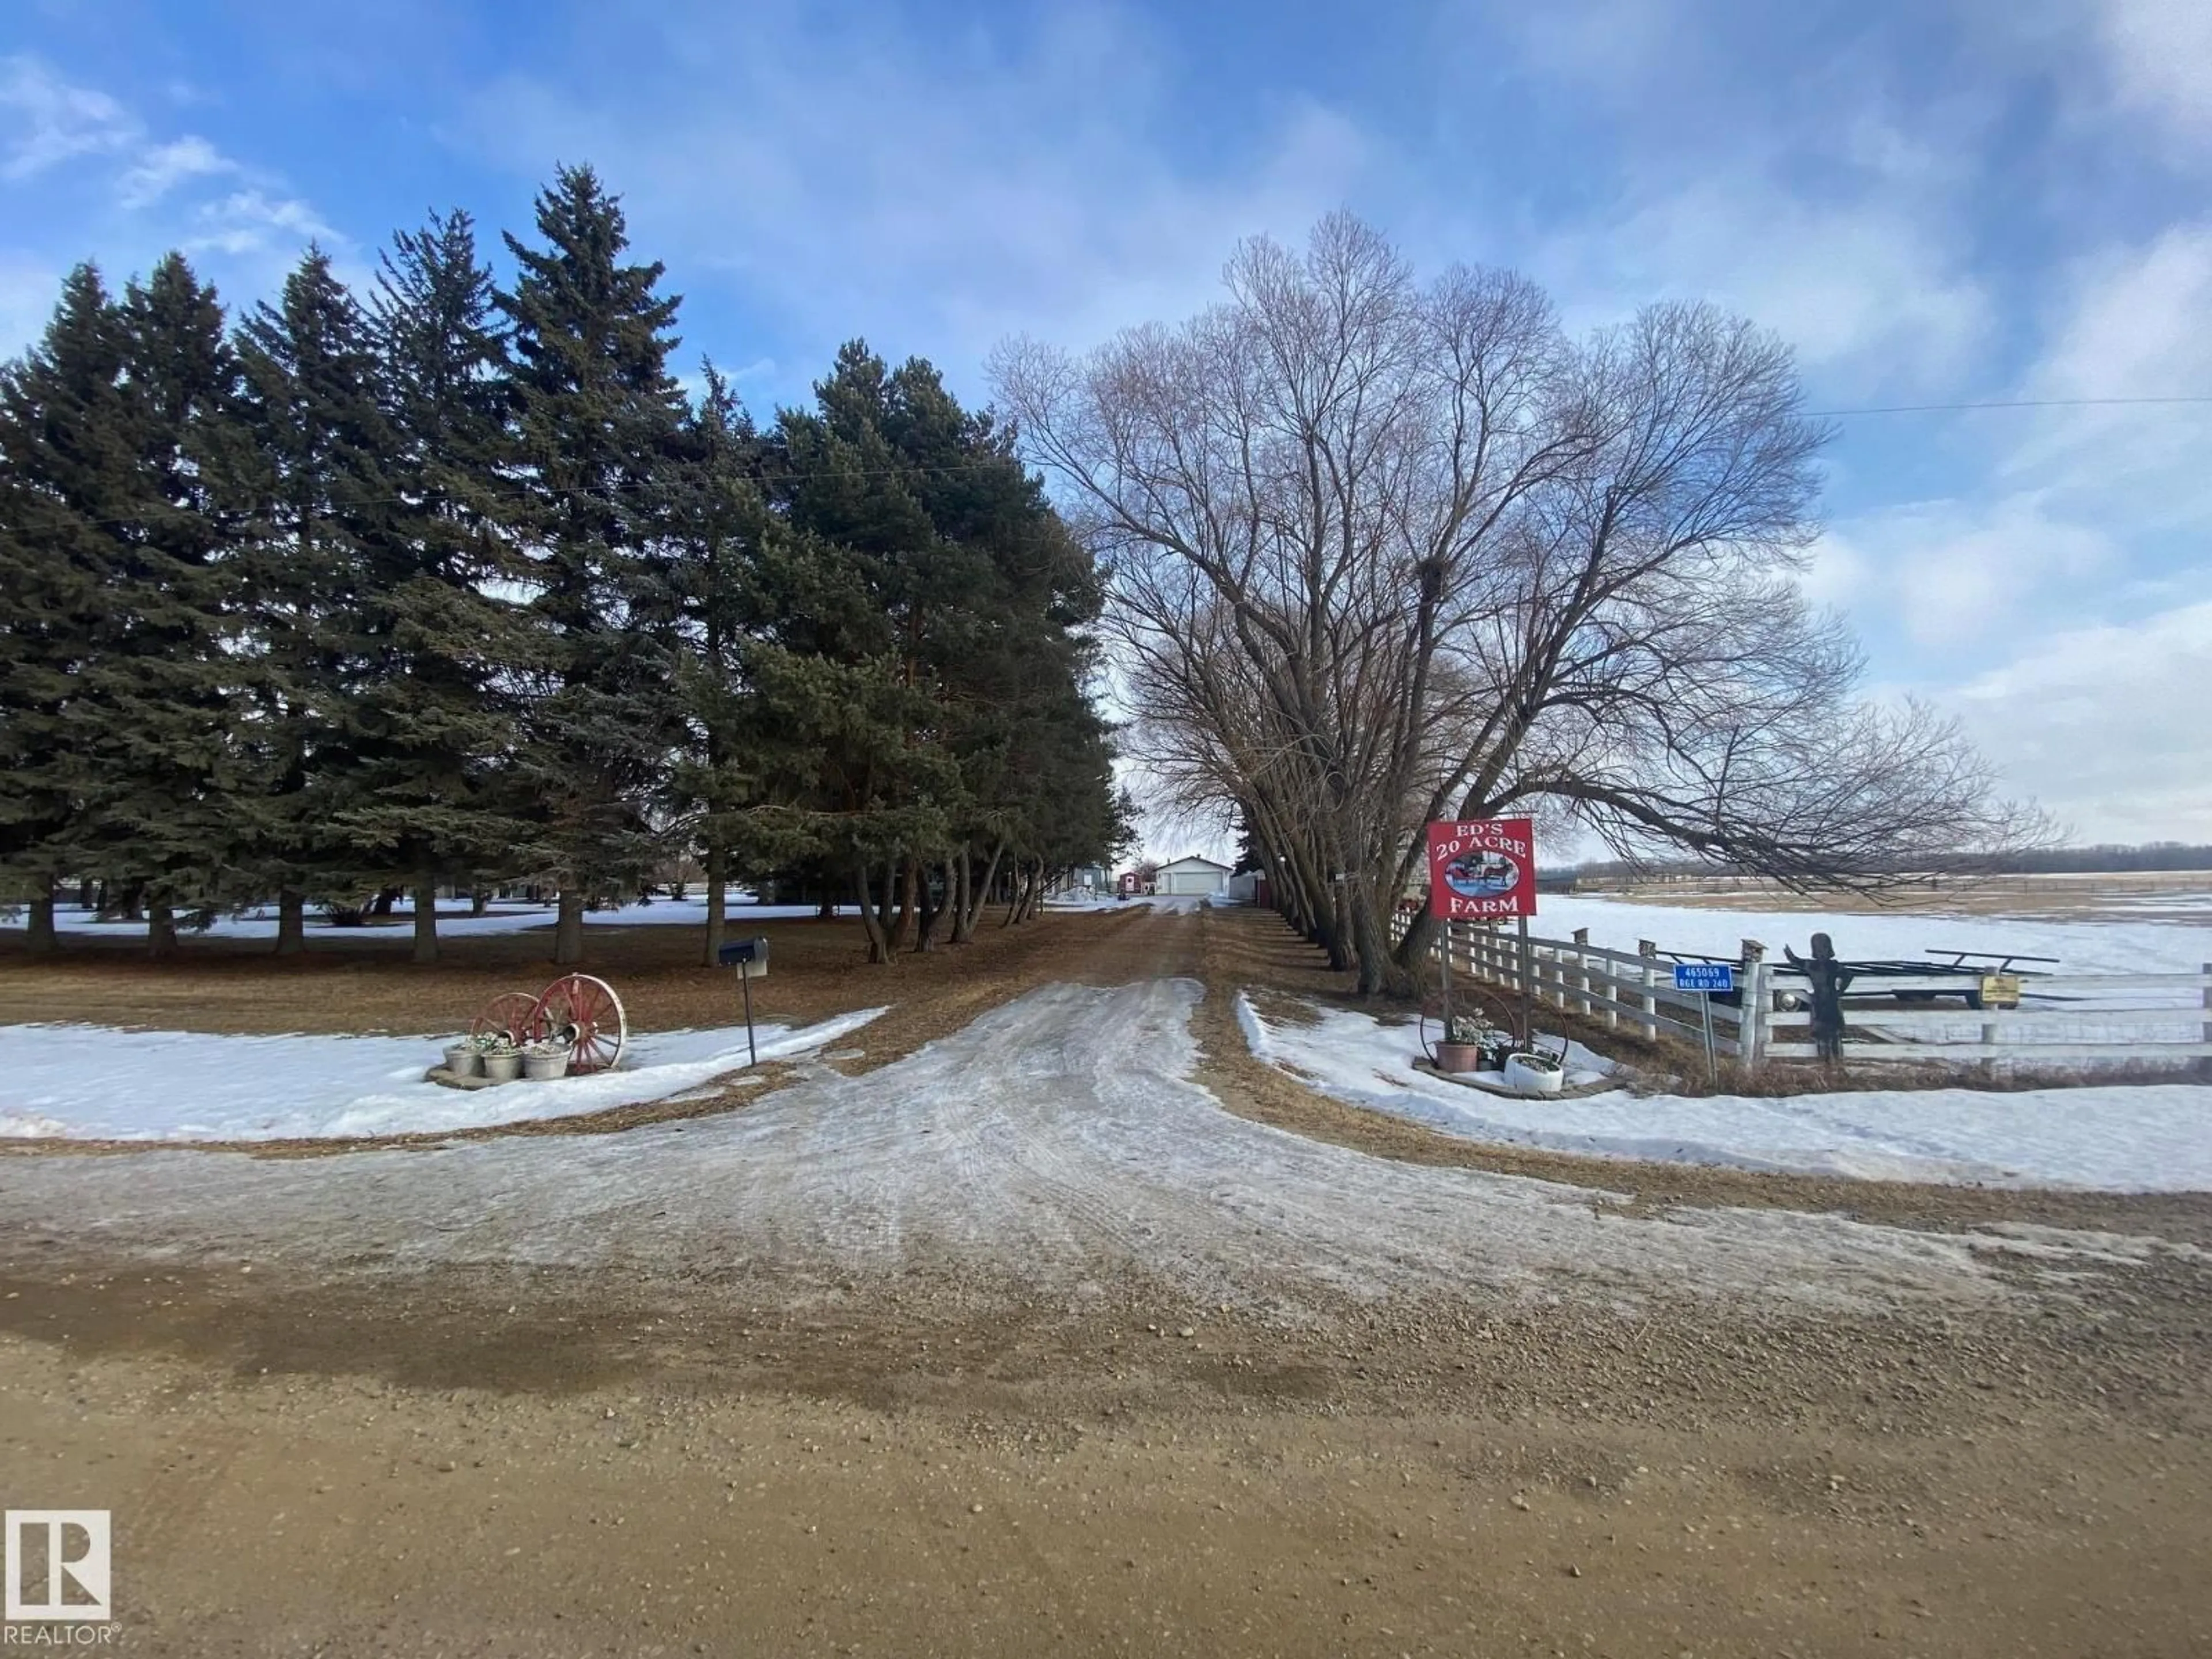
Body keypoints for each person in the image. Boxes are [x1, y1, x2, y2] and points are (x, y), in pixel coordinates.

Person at [1784, 931, 1854, 1063]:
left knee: (1826, 1036)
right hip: (1830, 1001)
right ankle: (1835, 1063)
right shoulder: (1832, 965)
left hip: (1821, 1002)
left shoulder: (1813, 965)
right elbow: (1849, 975)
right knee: (1832, 1036)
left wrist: (1790, 955)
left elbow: (1796, 961)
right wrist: (1841, 990)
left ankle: (1828, 1063)